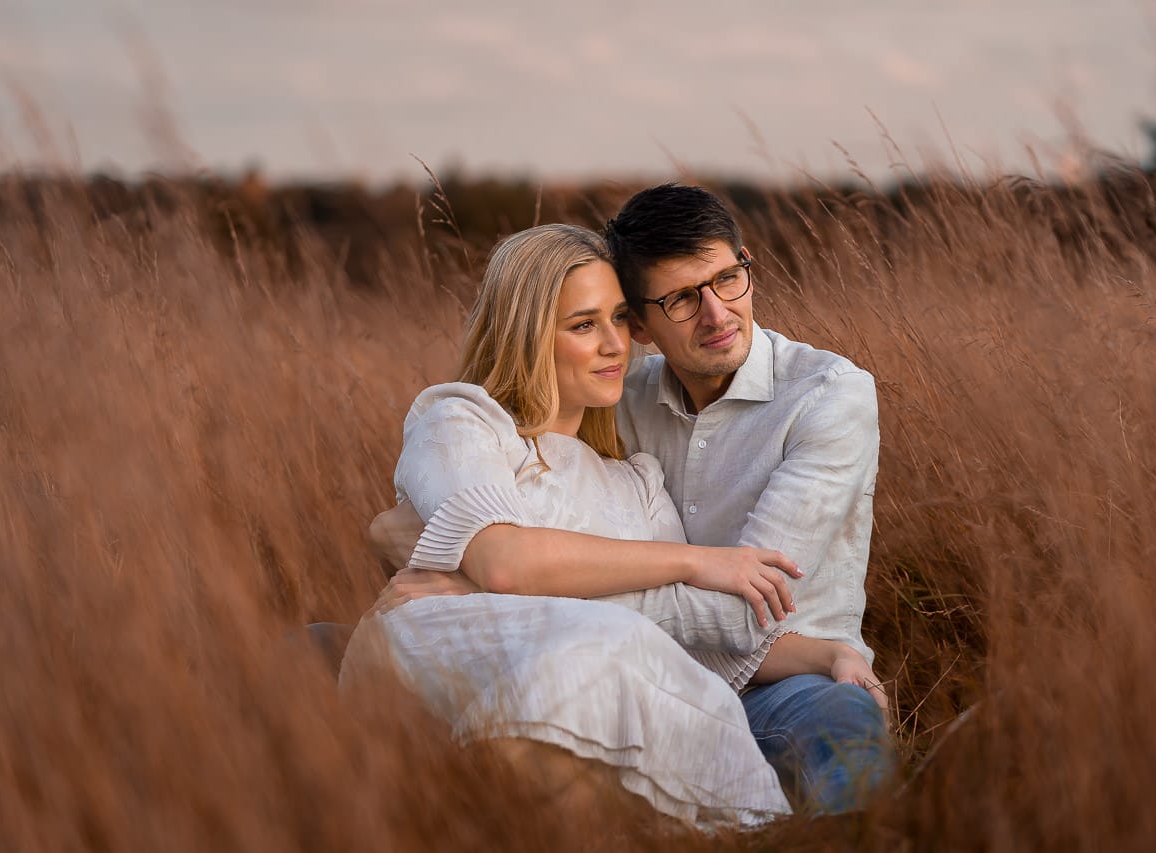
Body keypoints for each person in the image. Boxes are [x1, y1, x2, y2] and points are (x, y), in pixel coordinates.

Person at [371, 186, 896, 814]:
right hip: (627, 672)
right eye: (680, 299)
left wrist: (827, 652)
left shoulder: (822, 399)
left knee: (838, 727)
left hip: (778, 672)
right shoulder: (605, 403)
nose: (717, 313)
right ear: (647, 323)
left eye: (729, 278)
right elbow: (480, 520)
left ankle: (866, 831)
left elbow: (735, 616)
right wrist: (415, 541)